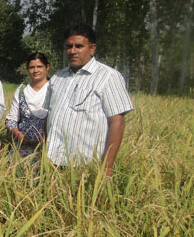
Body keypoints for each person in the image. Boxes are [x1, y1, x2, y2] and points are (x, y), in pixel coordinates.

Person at [44, 24, 134, 177]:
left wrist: (106, 168)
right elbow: (48, 117)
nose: (72, 51)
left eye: (79, 46)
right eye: (68, 46)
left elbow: (117, 123)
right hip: (52, 163)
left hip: (86, 167)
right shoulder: (57, 78)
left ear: (92, 48)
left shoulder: (108, 77)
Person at [5, 52, 50, 157]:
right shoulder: (22, 90)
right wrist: (18, 134)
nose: (35, 70)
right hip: (21, 148)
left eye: (39, 67)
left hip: (48, 149)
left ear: (47, 67)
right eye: (31, 67)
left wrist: (45, 137)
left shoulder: (54, 90)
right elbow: (11, 119)